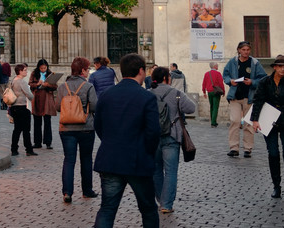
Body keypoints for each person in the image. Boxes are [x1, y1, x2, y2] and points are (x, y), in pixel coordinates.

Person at [93, 54, 161, 228]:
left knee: (107, 209)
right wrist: (148, 153)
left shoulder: (106, 95)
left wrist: (110, 141)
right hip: (138, 160)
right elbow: (153, 132)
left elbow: (98, 126)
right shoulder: (146, 97)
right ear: (141, 71)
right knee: (148, 209)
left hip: (110, 158)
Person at [251, 55, 284, 198]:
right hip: (269, 121)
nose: (283, 69)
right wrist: (255, 120)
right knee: (273, 153)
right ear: (274, 67)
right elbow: (258, 101)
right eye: (280, 66)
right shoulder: (265, 82)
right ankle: (276, 186)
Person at [149, 67, 195, 214]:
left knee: (156, 170)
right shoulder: (176, 93)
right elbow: (191, 108)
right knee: (170, 171)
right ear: (166, 78)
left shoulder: (148, 94)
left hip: (153, 136)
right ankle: (166, 204)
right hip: (172, 135)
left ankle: (160, 199)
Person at [59, 58, 97, 204]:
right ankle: (87, 190)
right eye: (87, 69)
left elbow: (58, 107)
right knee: (86, 159)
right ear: (82, 70)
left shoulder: (63, 87)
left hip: (66, 128)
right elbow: (94, 106)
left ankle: (67, 192)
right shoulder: (88, 87)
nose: (88, 71)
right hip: (86, 127)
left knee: (69, 160)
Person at [222, 41, 267, 158]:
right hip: (235, 96)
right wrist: (230, 81)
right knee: (235, 121)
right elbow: (225, 75)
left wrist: (252, 82)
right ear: (239, 50)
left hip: (249, 97)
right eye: (243, 50)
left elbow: (263, 78)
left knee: (248, 124)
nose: (246, 52)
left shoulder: (255, 63)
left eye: (248, 50)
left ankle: (248, 149)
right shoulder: (232, 62)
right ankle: (234, 148)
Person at [8, 63, 36, 157]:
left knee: (17, 129)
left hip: (14, 106)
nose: (26, 72)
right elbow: (29, 95)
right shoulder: (21, 82)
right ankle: (28, 149)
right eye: (24, 70)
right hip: (22, 106)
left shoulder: (13, 80)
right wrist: (32, 96)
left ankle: (14, 149)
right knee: (26, 130)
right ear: (20, 71)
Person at [29, 59, 57, 150]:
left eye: (45, 68)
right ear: (38, 67)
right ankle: (37, 142)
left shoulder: (50, 74)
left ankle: (48, 142)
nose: (43, 70)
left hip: (47, 99)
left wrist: (48, 85)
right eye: (41, 68)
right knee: (37, 121)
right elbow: (30, 84)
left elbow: (55, 86)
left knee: (47, 121)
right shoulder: (34, 73)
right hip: (37, 98)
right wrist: (38, 84)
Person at [201, 62, 224, 127]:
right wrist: (223, 91)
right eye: (217, 65)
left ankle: (212, 120)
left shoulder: (206, 74)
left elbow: (204, 83)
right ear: (215, 66)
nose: (217, 66)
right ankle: (213, 122)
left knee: (211, 106)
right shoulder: (218, 74)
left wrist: (204, 92)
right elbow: (221, 83)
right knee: (215, 107)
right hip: (216, 92)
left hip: (209, 92)